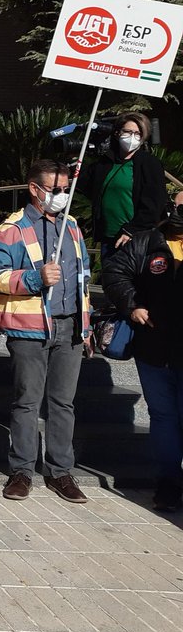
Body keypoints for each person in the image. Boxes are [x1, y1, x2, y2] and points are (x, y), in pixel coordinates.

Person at [0, 159, 90, 504]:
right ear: (35, 189)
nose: (61, 196)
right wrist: (34, 279)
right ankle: (22, 471)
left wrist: (86, 325)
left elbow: (83, 278)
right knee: (27, 402)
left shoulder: (71, 227)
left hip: (70, 327)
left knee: (63, 403)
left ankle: (61, 472)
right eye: (55, 190)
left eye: (65, 190)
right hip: (29, 330)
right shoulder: (11, 229)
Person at [100, 190, 183, 512]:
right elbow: (114, 272)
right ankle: (168, 484)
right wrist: (132, 305)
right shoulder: (148, 241)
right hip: (154, 348)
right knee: (163, 417)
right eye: (177, 205)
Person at [80, 111, 167, 262]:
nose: (132, 137)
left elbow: (154, 203)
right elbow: (87, 187)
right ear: (117, 133)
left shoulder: (149, 164)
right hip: (109, 238)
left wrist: (132, 230)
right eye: (127, 131)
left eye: (138, 133)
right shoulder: (105, 162)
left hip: (135, 239)